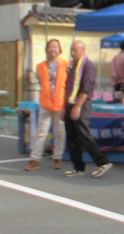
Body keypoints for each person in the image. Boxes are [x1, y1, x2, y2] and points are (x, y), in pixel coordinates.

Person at [64, 40, 112, 178]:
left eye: (75, 50)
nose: (72, 53)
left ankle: (102, 162)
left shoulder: (88, 66)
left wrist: (78, 106)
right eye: (71, 50)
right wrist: (65, 107)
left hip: (81, 104)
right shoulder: (71, 66)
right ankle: (78, 167)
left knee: (84, 134)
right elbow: (68, 87)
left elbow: (86, 88)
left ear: (83, 50)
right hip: (69, 102)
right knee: (72, 136)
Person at [26, 39, 68, 171]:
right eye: (50, 47)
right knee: (41, 133)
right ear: (46, 49)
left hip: (61, 103)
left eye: (55, 47)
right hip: (45, 103)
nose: (52, 49)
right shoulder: (40, 66)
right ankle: (35, 159)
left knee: (60, 133)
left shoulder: (66, 64)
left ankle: (57, 158)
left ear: (59, 49)